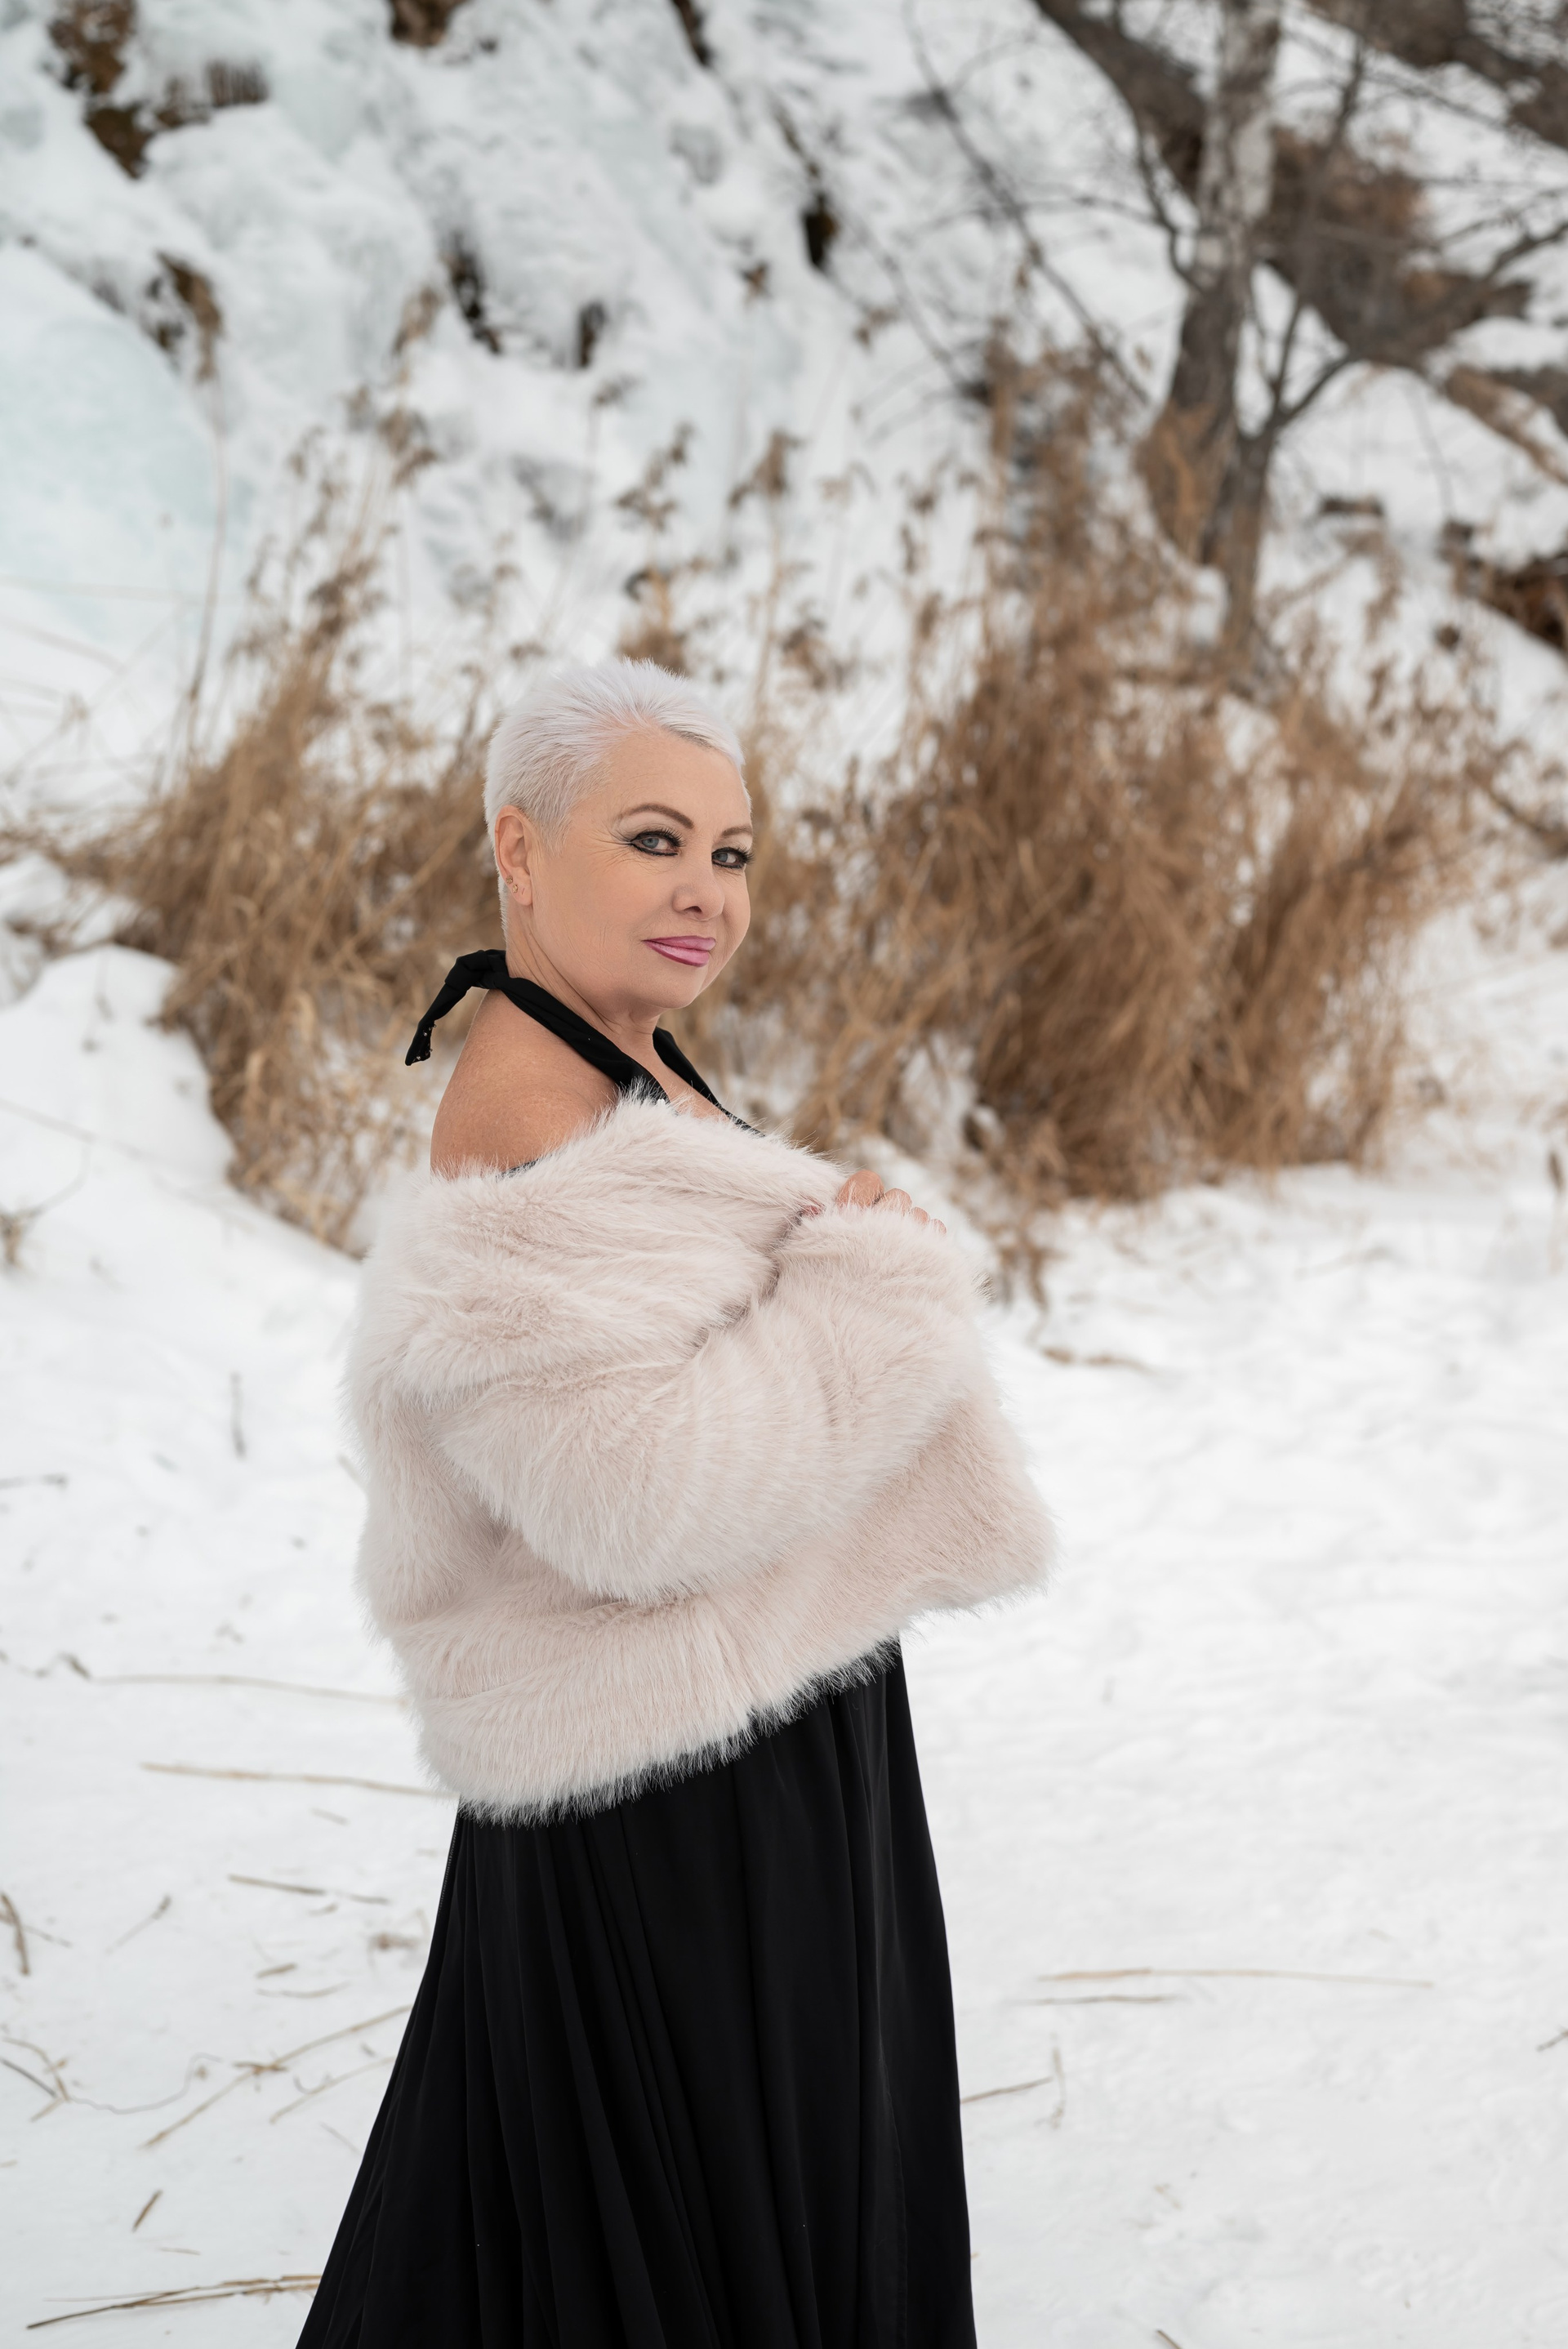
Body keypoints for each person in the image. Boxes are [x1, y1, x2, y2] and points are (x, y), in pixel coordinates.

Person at [297, 659, 1052, 2349]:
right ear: (519, 849)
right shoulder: (528, 1113)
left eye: (733, 852)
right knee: (691, 2217)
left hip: (743, 1719)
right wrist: (868, 1284)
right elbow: (632, 1501)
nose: (706, 890)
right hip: (669, 1784)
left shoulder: (625, 1058)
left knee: (694, 2206)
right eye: (653, 840)